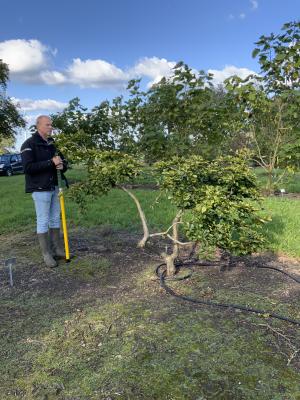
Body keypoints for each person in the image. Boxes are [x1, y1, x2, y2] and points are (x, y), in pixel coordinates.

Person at [21, 115, 68, 268]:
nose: (51, 127)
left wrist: (62, 165)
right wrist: (50, 163)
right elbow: (28, 168)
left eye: (51, 125)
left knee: (55, 218)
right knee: (43, 220)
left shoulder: (53, 144)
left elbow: (62, 160)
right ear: (38, 126)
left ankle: (58, 250)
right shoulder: (29, 144)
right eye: (47, 125)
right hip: (40, 188)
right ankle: (46, 254)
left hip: (54, 186)